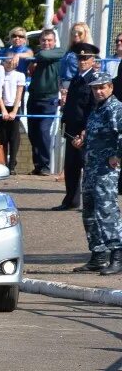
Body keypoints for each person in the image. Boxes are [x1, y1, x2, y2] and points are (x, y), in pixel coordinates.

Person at [70, 71, 122, 275]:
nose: (99, 91)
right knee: (89, 214)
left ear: (110, 87)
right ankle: (98, 255)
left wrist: (117, 156)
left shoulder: (115, 108)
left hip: (105, 170)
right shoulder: (97, 110)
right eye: (95, 88)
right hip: (91, 167)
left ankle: (117, 255)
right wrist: (81, 141)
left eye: (102, 87)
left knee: (107, 212)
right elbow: (96, 135)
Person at [55, 44, 99, 211]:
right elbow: (72, 106)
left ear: (92, 60)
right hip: (72, 130)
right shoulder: (75, 79)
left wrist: (85, 132)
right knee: (71, 167)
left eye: (85, 58)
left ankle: (91, 203)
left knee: (88, 169)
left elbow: (93, 107)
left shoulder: (94, 80)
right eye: (79, 58)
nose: (82, 61)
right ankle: (71, 200)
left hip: (86, 131)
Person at [27, 29, 65, 176]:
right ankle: (38, 165)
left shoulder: (58, 52)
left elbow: (43, 54)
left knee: (43, 131)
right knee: (33, 133)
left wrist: (34, 57)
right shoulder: (38, 55)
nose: (46, 43)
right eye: (43, 40)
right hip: (34, 97)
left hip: (49, 99)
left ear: (54, 41)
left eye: (49, 40)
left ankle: (46, 166)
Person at [0, 55, 26, 174]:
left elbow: (19, 94)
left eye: (11, 61)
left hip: (15, 107)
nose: (9, 63)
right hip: (2, 106)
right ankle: (3, 162)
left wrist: (14, 111)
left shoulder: (20, 75)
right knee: (3, 136)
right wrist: (3, 110)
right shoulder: (0, 74)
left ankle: (12, 164)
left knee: (14, 136)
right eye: (6, 61)